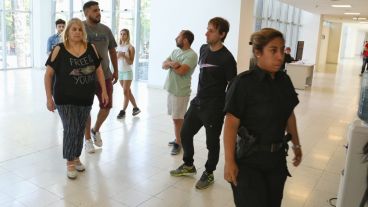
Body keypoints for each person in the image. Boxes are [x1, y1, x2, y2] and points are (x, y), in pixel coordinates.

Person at [223, 28, 302, 207]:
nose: (280, 56)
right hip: (249, 161)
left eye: (282, 50)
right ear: (258, 52)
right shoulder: (243, 83)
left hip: (276, 161)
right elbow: (231, 124)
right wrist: (229, 161)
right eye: (273, 50)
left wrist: (296, 144)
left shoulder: (284, 81)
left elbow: (289, 115)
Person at [170, 17, 237, 190]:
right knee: (185, 133)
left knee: (211, 143)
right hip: (198, 102)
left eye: (211, 30)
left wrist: (227, 110)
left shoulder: (227, 59)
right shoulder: (203, 49)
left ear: (222, 34)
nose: (206, 33)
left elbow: (232, 87)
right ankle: (188, 165)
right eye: (207, 29)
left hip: (214, 107)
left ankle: (209, 172)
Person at [44, 18, 108, 179]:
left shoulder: (91, 48)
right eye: (74, 29)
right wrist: (48, 98)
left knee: (79, 129)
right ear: (67, 32)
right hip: (64, 97)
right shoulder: (59, 49)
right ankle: (69, 161)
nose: (77, 32)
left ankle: (77, 157)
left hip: (85, 97)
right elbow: (48, 74)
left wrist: (104, 91)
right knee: (71, 128)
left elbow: (99, 71)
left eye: (80, 29)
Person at [82, 1, 118, 153]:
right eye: (95, 10)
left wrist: (116, 70)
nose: (99, 13)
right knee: (85, 109)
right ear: (86, 13)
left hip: (106, 75)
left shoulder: (106, 30)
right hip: (85, 77)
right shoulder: (80, 28)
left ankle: (95, 130)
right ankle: (88, 140)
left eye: (99, 10)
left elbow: (112, 51)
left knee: (107, 106)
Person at [162, 30, 198, 155]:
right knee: (175, 118)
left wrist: (171, 65)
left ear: (185, 40)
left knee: (178, 118)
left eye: (179, 37)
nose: (176, 38)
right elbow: (163, 65)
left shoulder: (192, 55)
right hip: (171, 89)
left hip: (181, 92)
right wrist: (173, 64)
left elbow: (182, 71)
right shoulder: (175, 51)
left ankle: (179, 142)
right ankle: (179, 138)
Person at [116, 29, 141, 119]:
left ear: (128, 35)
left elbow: (130, 62)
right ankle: (135, 108)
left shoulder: (131, 47)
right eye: (121, 34)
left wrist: (123, 55)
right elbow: (116, 60)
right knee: (128, 92)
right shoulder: (118, 46)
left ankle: (123, 111)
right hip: (120, 72)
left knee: (125, 91)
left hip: (127, 72)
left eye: (124, 34)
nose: (122, 36)